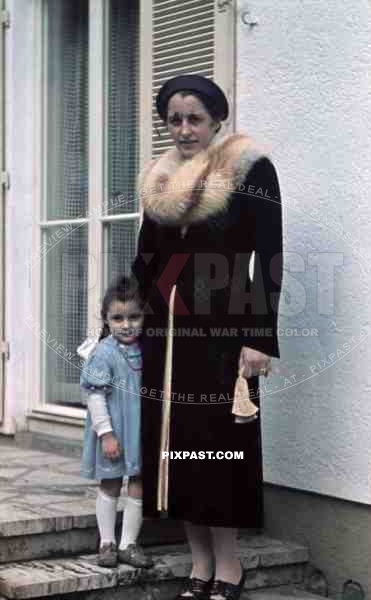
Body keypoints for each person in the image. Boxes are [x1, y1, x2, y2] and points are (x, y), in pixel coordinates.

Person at [132, 74, 283, 600]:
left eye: (194, 117)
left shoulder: (249, 169)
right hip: (164, 336)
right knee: (174, 450)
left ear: (217, 119)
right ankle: (199, 567)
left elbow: (269, 258)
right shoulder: (161, 176)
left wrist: (260, 337)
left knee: (217, 450)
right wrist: (128, 324)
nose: (183, 129)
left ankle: (230, 567)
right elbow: (146, 259)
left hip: (224, 330)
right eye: (174, 119)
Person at [78, 274, 153, 569]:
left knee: (138, 482)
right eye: (118, 318)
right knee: (110, 482)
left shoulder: (146, 350)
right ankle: (107, 541)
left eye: (133, 317)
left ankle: (128, 544)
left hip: (139, 431)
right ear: (106, 319)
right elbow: (95, 397)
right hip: (114, 432)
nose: (126, 324)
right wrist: (106, 434)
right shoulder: (103, 353)